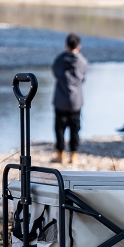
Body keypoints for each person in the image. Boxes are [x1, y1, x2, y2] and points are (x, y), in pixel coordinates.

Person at [51, 33, 88, 164]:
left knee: (59, 128)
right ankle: (74, 155)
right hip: (76, 101)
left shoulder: (60, 59)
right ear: (79, 46)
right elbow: (83, 77)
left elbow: (55, 72)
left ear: (66, 45)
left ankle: (60, 154)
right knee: (75, 128)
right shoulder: (82, 61)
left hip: (60, 99)